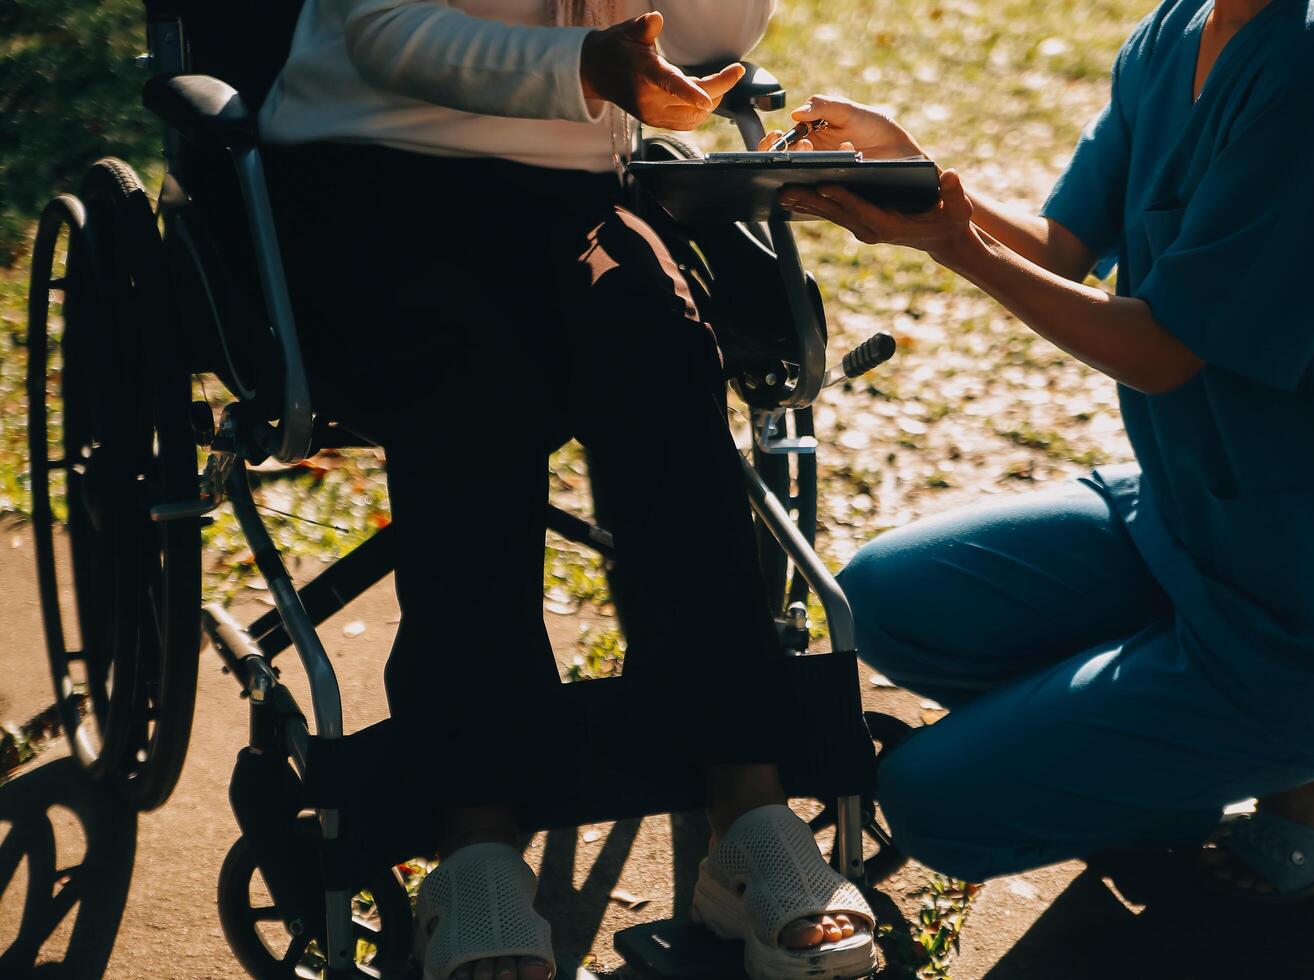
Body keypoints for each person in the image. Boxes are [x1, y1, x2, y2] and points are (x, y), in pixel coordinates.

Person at [771, 0, 1314, 900]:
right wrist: (907, 175)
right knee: (880, 599)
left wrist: (954, 247)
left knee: (929, 800)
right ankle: (1167, 783)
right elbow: (1064, 250)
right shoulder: (1179, 27)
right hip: (1178, 517)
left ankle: (1288, 788)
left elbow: (1160, 350)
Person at [256, 2, 875, 978]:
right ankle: (475, 842)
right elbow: (381, 30)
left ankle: (749, 812)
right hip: (368, 173)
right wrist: (582, 62)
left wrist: (628, 56)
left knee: (661, 343)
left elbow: (709, 37)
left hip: (566, 184)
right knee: (467, 375)